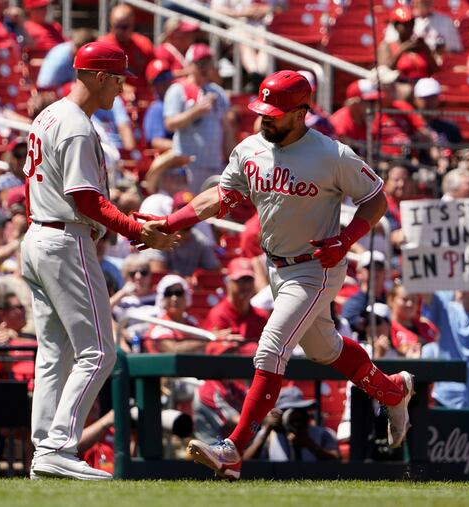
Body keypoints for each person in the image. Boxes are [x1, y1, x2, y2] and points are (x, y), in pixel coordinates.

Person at [135, 70, 414, 480]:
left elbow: (376, 200)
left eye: (275, 112)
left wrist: (348, 237)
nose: (265, 117)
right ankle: (392, 390)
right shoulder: (251, 148)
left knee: (270, 350)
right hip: (276, 267)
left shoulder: (332, 155)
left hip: (317, 266)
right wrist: (172, 222)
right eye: (262, 109)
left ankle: (233, 449)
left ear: (301, 113)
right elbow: (221, 196)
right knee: (324, 349)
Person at [21, 41, 178, 481]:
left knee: (55, 352)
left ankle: (43, 452)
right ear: (98, 76)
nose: (121, 89)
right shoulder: (74, 124)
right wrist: (133, 229)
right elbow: (84, 198)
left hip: (41, 235)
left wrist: (129, 220)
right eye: (117, 78)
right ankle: (58, 447)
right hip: (65, 239)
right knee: (99, 352)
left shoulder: (49, 114)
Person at [163, 43, 234, 193]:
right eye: (200, 63)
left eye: (207, 63)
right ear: (189, 65)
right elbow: (169, 124)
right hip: (188, 166)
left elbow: (227, 130)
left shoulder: (218, 92)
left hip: (214, 164)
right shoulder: (178, 89)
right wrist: (196, 111)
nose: (204, 68)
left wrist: (232, 161)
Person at [243, 386, 340, 462]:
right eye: (287, 411)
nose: (293, 416)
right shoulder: (268, 435)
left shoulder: (322, 433)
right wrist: (267, 430)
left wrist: (310, 444)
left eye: (298, 410)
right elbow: (246, 463)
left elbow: (337, 460)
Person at [144, 190, 221, 276]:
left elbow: (215, 274)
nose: (186, 216)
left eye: (190, 211)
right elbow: (157, 274)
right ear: (172, 213)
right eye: (182, 211)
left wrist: (199, 277)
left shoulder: (200, 241)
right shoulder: (159, 236)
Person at [203, 257, 269, 344]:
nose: (246, 286)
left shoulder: (261, 316)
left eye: (249, 280)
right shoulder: (219, 315)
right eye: (240, 281)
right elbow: (213, 350)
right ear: (229, 283)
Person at [378, 6, 438, 90]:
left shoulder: (420, 45)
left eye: (411, 23)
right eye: (404, 25)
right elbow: (383, 73)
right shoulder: (387, 46)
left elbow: (436, 72)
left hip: (424, 87)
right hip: (401, 87)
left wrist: (427, 51)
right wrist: (401, 51)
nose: (409, 27)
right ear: (396, 26)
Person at [143, 274, 205, 353]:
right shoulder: (160, 325)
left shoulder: (192, 321)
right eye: (168, 293)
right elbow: (173, 350)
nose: (174, 298)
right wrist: (207, 340)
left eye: (179, 293)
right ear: (162, 298)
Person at [98, 4, 153, 88]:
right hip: (114, 94)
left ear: (132, 25)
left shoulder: (144, 43)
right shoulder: (102, 46)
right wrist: (123, 88)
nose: (119, 31)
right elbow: (100, 79)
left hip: (143, 94)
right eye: (116, 26)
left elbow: (154, 74)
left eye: (124, 27)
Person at [382, 0, 463, 54]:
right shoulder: (401, 20)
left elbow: (456, 50)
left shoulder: (446, 21)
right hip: (408, 68)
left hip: (437, 68)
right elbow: (389, 47)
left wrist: (442, 51)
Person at [341, 250, 387, 334]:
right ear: (359, 273)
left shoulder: (391, 298)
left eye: (379, 267)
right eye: (370, 267)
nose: (375, 271)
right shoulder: (353, 304)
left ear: (384, 272)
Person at [389, 283, 437, 358]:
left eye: (414, 300)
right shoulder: (387, 328)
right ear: (391, 300)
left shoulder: (427, 326)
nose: (410, 304)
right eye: (404, 299)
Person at [413, 77, 462, 147]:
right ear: (415, 99)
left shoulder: (449, 127)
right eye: (425, 98)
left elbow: (460, 151)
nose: (430, 102)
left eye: (433, 97)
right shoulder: (410, 128)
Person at [142, 59, 174, 150]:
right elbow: (156, 142)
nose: (166, 82)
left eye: (167, 76)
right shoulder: (157, 108)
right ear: (152, 86)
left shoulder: (178, 102)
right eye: (160, 79)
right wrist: (184, 146)